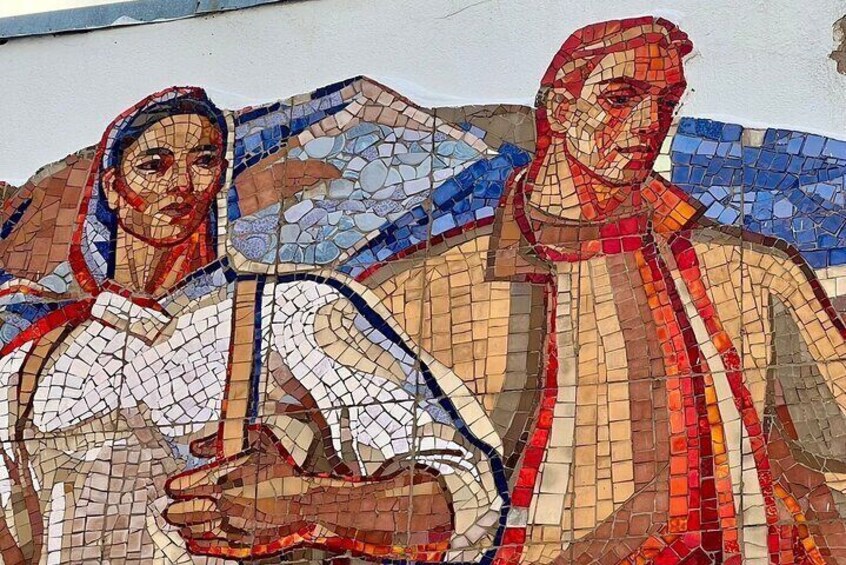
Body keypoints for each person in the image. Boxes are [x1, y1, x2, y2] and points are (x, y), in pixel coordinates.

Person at [349, 16, 846, 564]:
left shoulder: (754, 270)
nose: (649, 123)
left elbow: (829, 457)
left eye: (666, 102)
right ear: (561, 110)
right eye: (620, 98)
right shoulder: (418, 290)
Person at [0, 86, 507, 564]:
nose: (182, 184)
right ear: (113, 187)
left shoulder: (292, 308)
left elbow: (468, 494)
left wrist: (309, 505)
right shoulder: (32, 364)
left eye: (203, 162)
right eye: (154, 165)